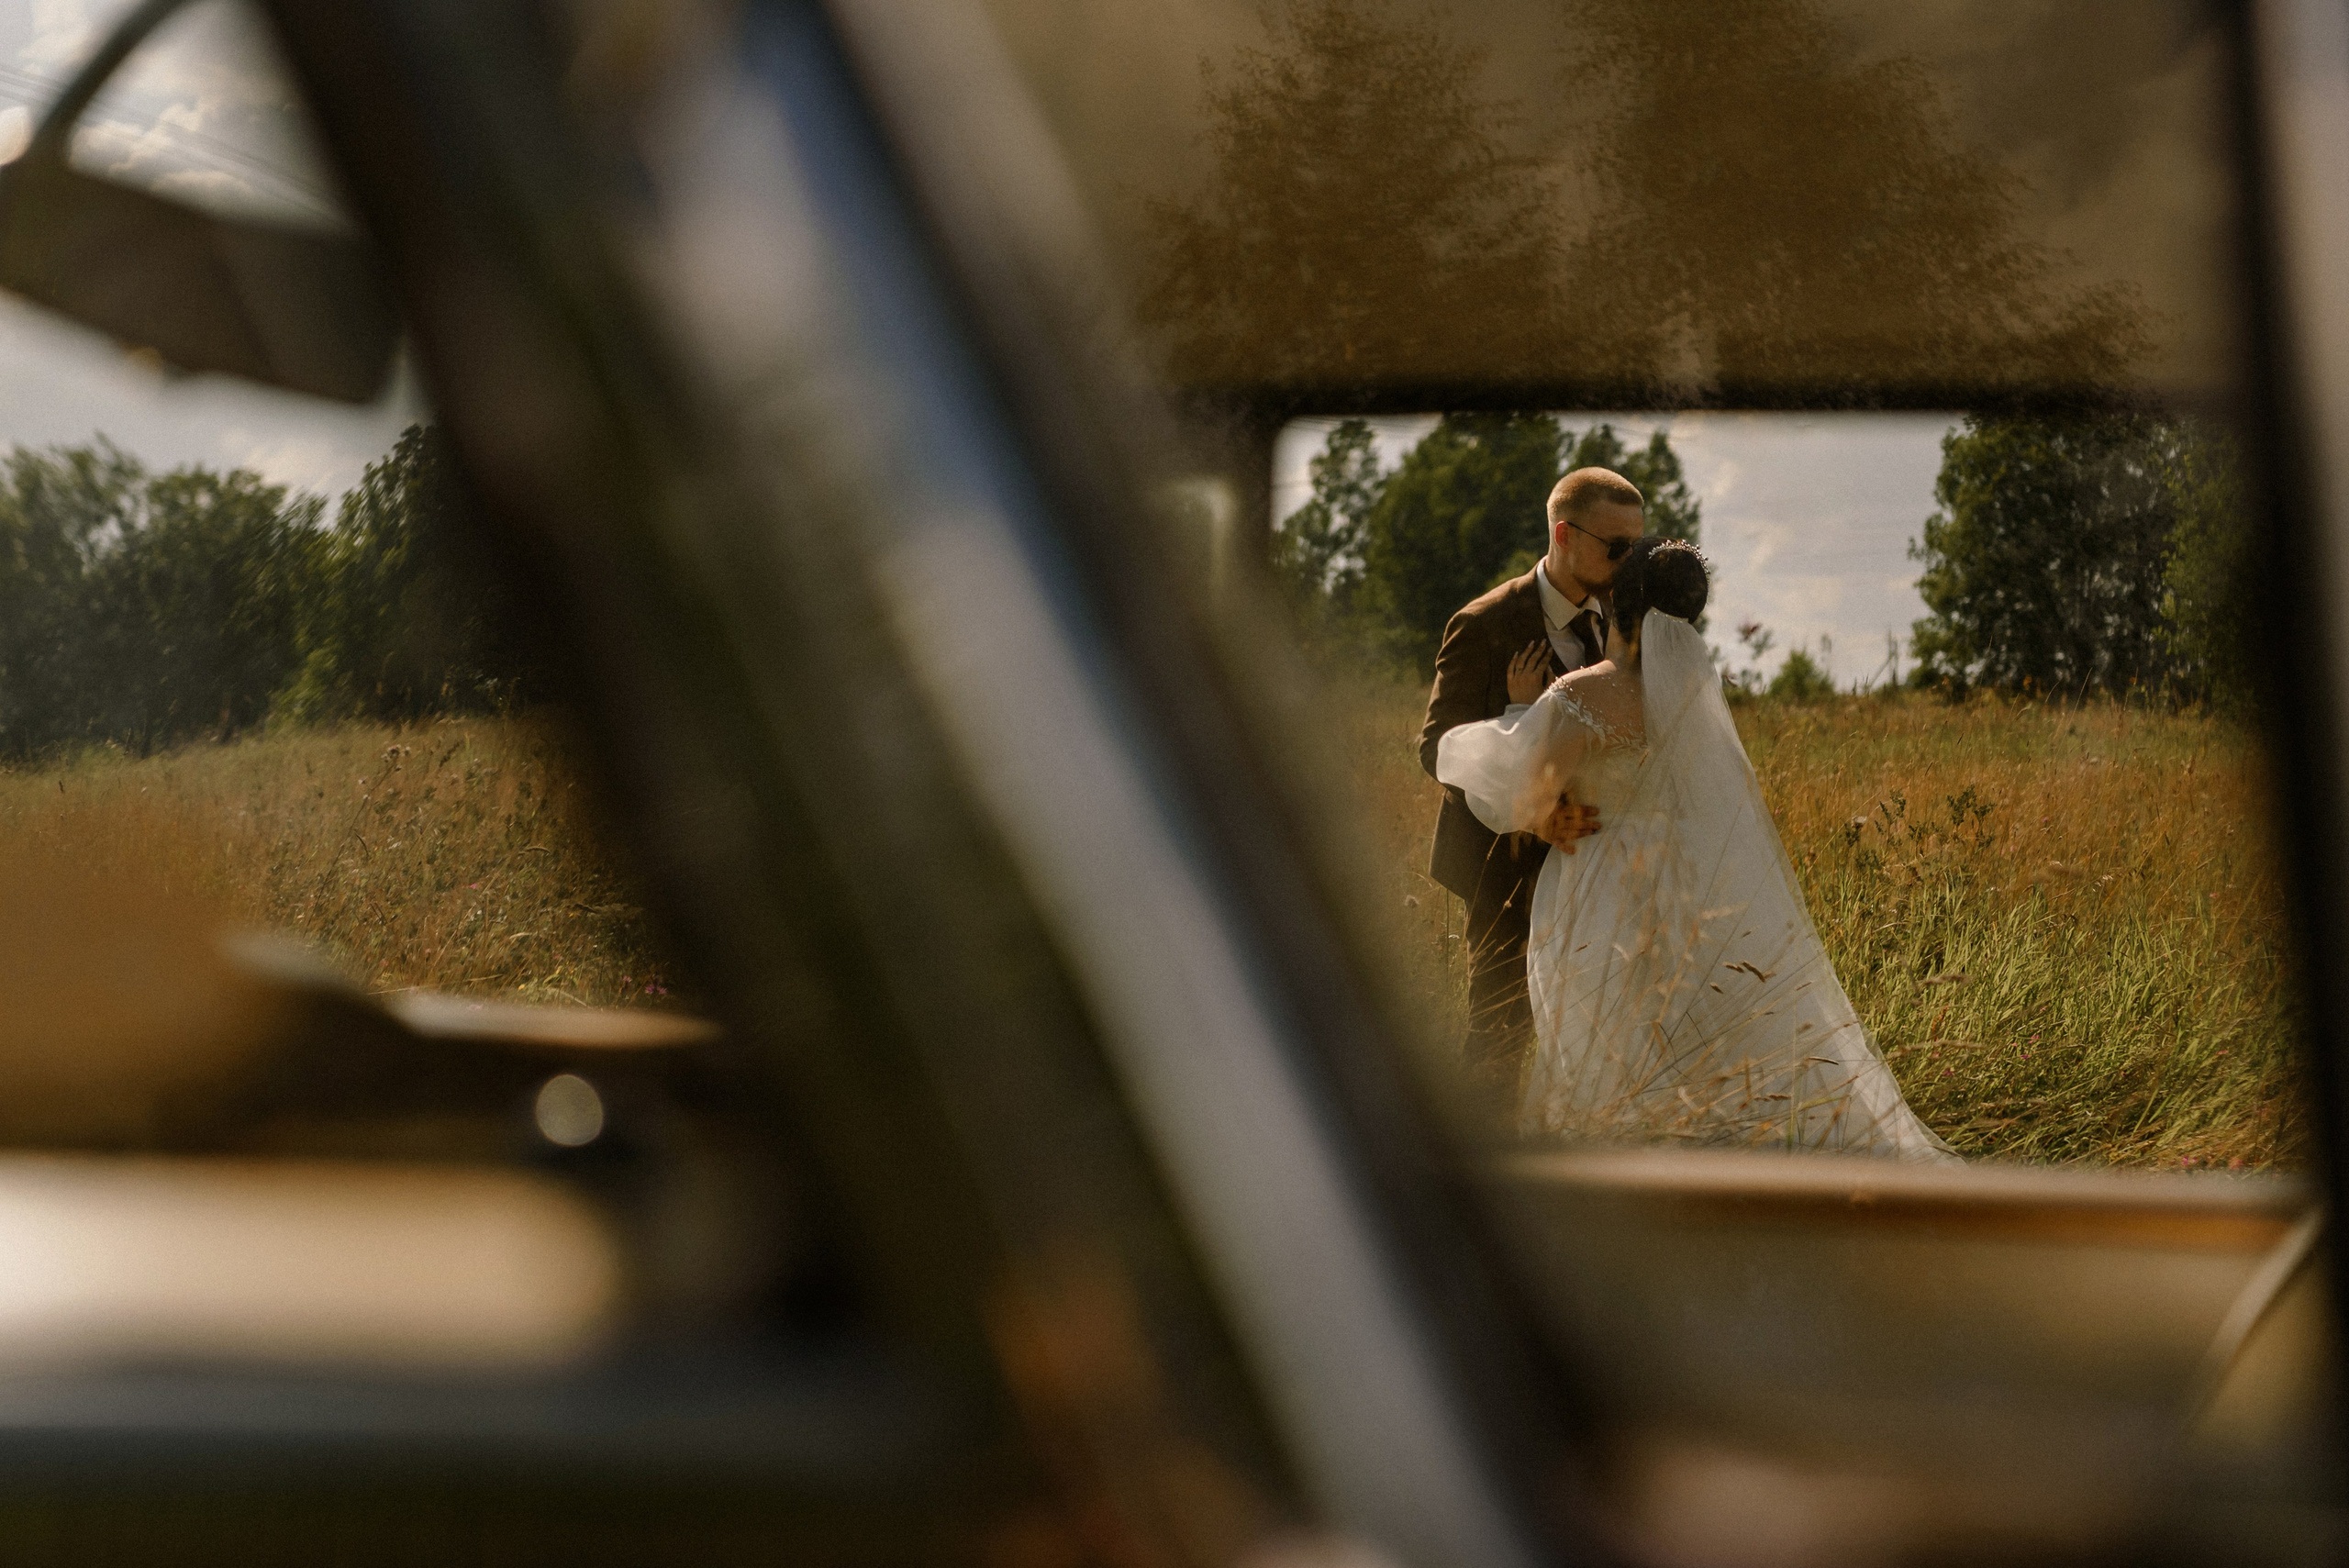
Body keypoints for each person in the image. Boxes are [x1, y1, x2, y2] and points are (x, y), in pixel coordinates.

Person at [1436, 538, 1951, 1157]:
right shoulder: (1695, 695)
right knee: (1686, 1026)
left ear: (1615, 601)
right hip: (1685, 879)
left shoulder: (1581, 695)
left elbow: (1525, 795)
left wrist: (1522, 705)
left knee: (1605, 1038)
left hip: (1599, 881)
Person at [1418, 467, 1644, 1114]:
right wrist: (1532, 811)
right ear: (1565, 534)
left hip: (1597, 869)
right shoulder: (1483, 622)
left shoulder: (1622, 620)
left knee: (1589, 1032)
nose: (1627, 562)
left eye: (1636, 546)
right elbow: (1436, 747)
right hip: (1504, 868)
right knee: (1498, 1027)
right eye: (1617, 546)